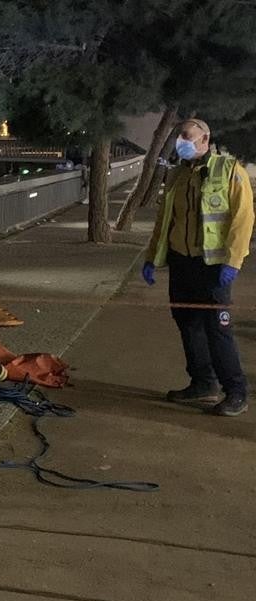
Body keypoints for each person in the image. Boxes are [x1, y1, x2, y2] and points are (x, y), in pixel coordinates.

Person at [142, 118, 253, 417]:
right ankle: (203, 383)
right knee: (187, 324)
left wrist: (234, 261)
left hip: (214, 266)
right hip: (182, 262)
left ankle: (237, 392)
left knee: (218, 329)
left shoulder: (230, 171)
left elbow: (243, 220)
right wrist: (152, 257)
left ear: (205, 139)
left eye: (188, 136)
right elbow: (164, 221)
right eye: (180, 136)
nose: (182, 141)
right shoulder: (177, 175)